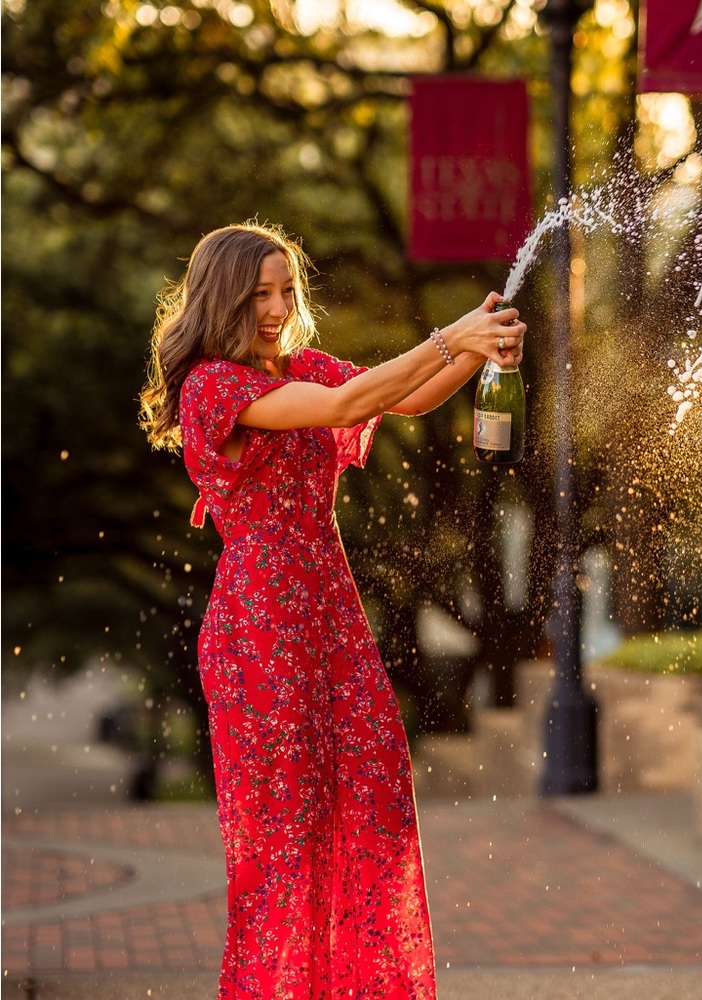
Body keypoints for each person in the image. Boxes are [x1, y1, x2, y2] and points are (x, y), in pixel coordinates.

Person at [139, 222, 525, 999]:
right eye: (260, 295)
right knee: (285, 841)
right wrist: (452, 334)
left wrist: (479, 353)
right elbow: (350, 400)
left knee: (375, 803)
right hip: (260, 628)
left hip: (331, 616)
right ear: (221, 299)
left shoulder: (301, 367)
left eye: (286, 291)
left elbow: (403, 395)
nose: (278, 308)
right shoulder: (216, 386)